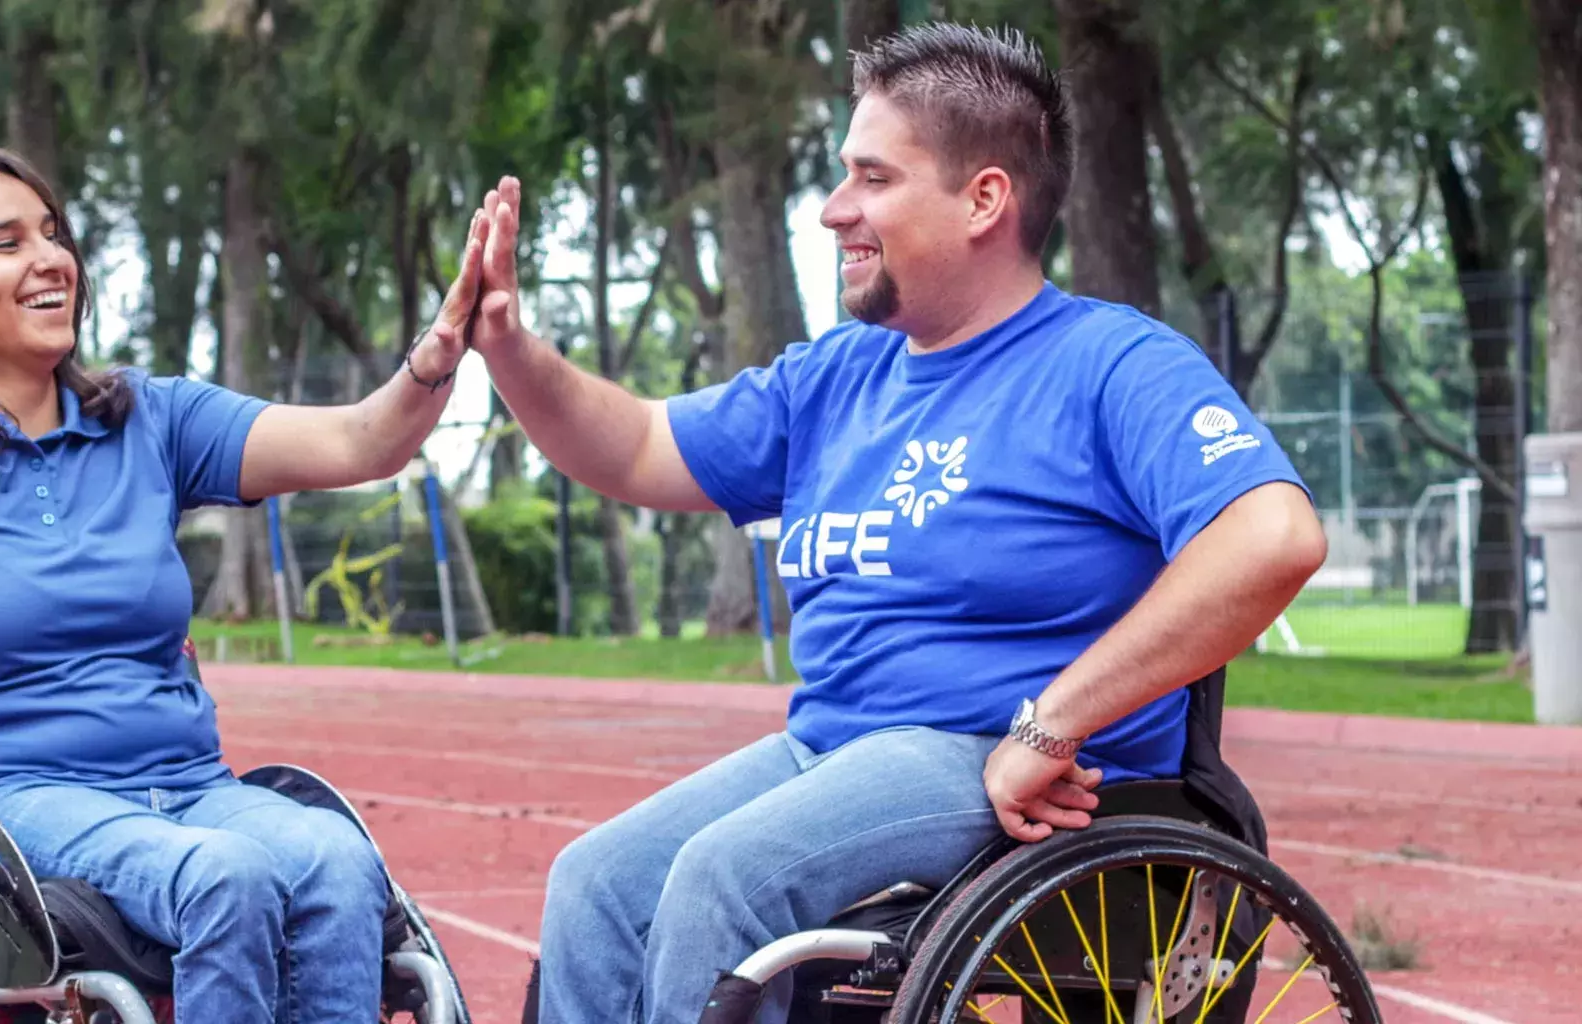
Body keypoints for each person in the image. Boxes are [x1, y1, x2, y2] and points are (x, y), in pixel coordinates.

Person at [458, 22, 1328, 1024]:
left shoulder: (1110, 365)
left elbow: (1274, 536)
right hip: (832, 748)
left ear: (983, 200)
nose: (834, 211)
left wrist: (1051, 723)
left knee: (723, 877)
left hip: (994, 751)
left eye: (871, 178)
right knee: (596, 881)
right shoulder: (836, 376)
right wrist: (510, 347)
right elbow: (638, 446)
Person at [0, 146, 488, 1024]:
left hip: (188, 784)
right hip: (10, 800)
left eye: (52, 233)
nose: (50, 258)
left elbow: (361, 444)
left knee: (338, 860)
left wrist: (438, 354)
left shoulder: (146, 419)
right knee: (226, 879)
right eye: (5, 243)